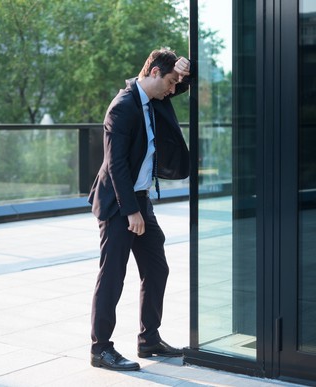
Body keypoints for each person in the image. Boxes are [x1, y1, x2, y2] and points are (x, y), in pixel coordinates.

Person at [88, 48, 194, 371]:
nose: (173, 90)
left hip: (140, 201)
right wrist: (131, 211)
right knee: (112, 276)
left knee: (156, 267)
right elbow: (116, 165)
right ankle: (100, 349)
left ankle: (149, 339)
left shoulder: (152, 100)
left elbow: (179, 84)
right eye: (171, 83)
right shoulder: (122, 108)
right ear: (152, 74)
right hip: (119, 204)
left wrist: (185, 70)